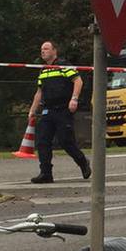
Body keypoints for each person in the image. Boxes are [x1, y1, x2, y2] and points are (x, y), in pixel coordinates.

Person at [28, 40, 91, 183]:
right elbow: (39, 92)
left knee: (66, 141)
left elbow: (78, 81)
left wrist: (74, 99)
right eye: (41, 49)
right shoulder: (43, 70)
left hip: (63, 109)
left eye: (46, 48)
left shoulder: (63, 65)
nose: (43, 51)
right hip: (48, 110)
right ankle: (46, 173)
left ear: (54, 51)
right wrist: (32, 110)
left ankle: (82, 162)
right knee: (43, 142)